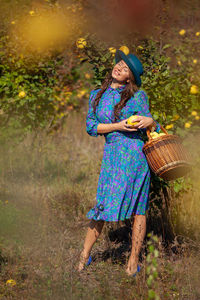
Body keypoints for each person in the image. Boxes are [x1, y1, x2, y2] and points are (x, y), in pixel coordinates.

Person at [78, 49, 161, 276]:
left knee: (138, 210)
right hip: (113, 158)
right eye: (119, 65)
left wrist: (150, 120)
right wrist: (118, 126)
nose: (119, 68)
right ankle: (84, 257)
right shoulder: (97, 95)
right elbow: (91, 127)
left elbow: (155, 127)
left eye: (125, 69)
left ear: (129, 78)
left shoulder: (138, 96)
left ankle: (132, 262)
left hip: (135, 158)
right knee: (103, 208)